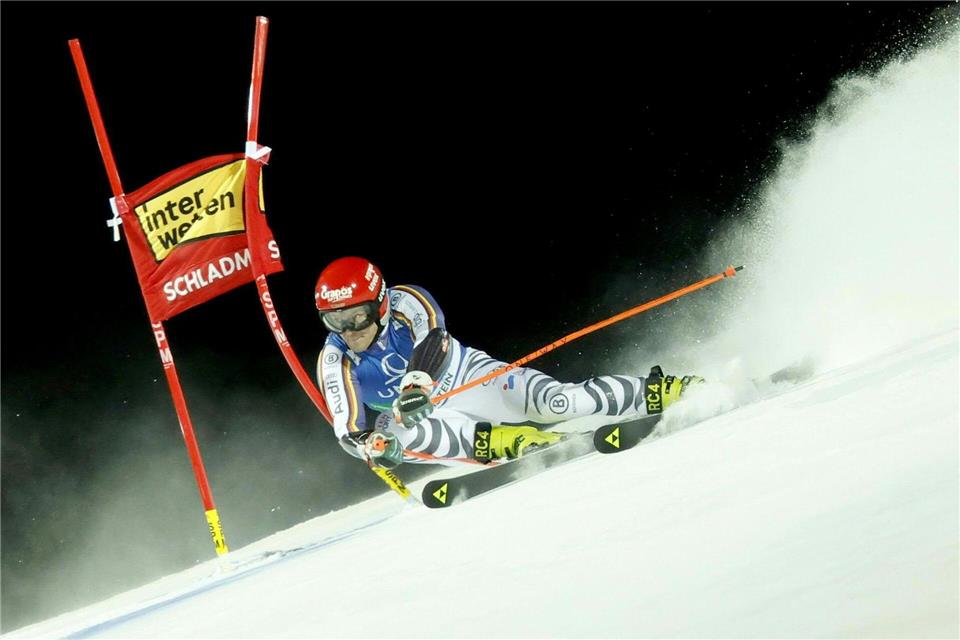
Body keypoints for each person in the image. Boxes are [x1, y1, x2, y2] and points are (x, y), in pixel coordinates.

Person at [315, 256, 702, 469]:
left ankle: (664, 390)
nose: (349, 331)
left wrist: (417, 384)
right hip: (417, 419)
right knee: (399, 430)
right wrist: (373, 445)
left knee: (557, 403)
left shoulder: (405, 301)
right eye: (335, 321)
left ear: (380, 304)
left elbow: (433, 336)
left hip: (466, 376)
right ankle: (505, 441)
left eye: (357, 317)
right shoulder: (335, 358)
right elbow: (348, 428)